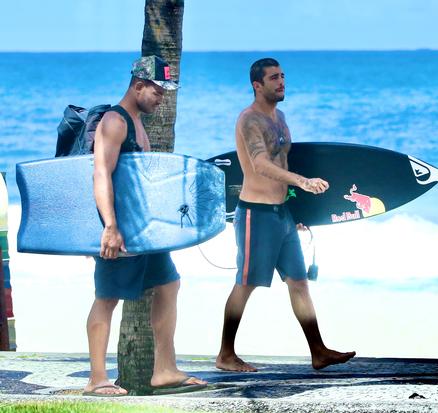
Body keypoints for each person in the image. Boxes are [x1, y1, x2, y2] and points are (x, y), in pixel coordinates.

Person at [216, 58, 356, 372]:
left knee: (299, 282)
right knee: (246, 283)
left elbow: (284, 164)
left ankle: (318, 351)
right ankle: (225, 354)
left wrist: (300, 205)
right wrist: (303, 182)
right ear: (257, 85)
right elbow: (260, 165)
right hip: (257, 215)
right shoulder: (249, 120)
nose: (281, 82)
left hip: (282, 214)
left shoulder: (280, 117)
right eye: (274, 78)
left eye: (283, 76)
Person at [84, 55, 207, 396]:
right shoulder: (115, 120)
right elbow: (100, 173)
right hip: (120, 231)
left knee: (169, 284)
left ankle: (164, 370)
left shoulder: (137, 122)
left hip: (144, 232)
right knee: (107, 298)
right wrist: (109, 226)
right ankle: (96, 379)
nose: (161, 97)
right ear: (138, 85)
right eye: (157, 90)